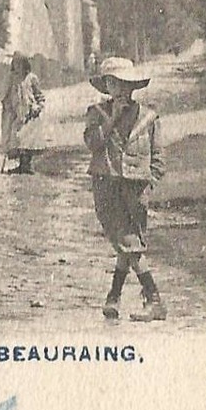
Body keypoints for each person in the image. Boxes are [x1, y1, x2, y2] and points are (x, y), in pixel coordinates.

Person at [83, 57, 165, 322]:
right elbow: (93, 144)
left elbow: (157, 152)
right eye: (111, 83)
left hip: (136, 186)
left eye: (122, 83)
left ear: (131, 86)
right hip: (106, 184)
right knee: (126, 240)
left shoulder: (148, 116)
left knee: (130, 242)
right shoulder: (96, 112)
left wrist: (152, 177)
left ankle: (117, 297)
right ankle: (150, 298)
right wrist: (112, 119)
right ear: (106, 87)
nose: (118, 89)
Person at [0, 53, 47, 174]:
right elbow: (6, 95)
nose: (18, 67)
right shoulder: (11, 78)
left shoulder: (31, 78)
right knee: (16, 138)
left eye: (20, 64)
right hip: (15, 113)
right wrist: (7, 107)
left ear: (25, 65)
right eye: (15, 64)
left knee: (28, 139)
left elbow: (39, 96)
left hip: (29, 113)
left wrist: (37, 107)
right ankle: (21, 164)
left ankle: (27, 164)